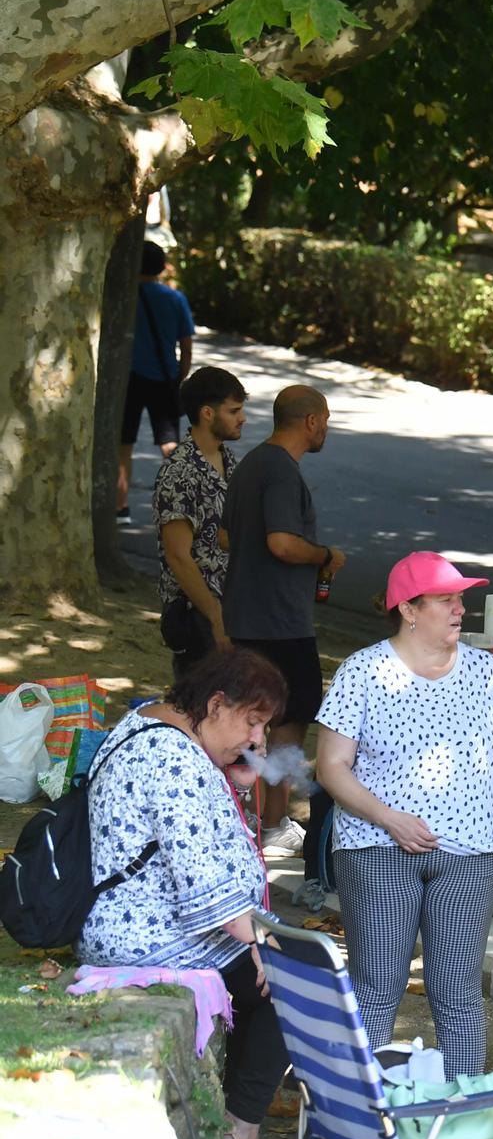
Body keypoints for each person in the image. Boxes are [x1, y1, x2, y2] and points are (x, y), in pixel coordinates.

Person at [315, 553, 493, 1076]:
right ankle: (362, 1121)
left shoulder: (487, 672)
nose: (461, 609)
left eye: (461, 598)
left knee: (458, 993)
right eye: (448, 599)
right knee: (377, 985)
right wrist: (389, 817)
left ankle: (461, 1121)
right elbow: (331, 766)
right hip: (376, 850)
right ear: (409, 609)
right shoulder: (364, 671)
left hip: (470, 855)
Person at [80, 648, 288, 1139]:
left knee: (269, 971)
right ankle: (240, 1129)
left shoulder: (154, 724)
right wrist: (262, 943)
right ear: (217, 704)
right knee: (287, 986)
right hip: (150, 932)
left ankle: (237, 1110)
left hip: (150, 920)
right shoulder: (171, 759)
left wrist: (239, 774)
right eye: (252, 721)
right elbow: (204, 890)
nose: (256, 738)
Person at [220, 383, 344, 857]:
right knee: (292, 717)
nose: (326, 428)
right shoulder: (282, 473)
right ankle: (272, 822)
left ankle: (247, 817)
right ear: (310, 421)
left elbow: (230, 538)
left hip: (246, 613)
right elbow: (282, 543)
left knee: (248, 717)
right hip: (281, 621)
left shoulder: (250, 465)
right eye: (325, 419)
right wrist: (325, 555)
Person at [155, 367, 246, 678]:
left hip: (233, 606)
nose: (242, 418)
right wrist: (216, 618)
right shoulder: (179, 472)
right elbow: (178, 556)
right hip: (196, 615)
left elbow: (224, 537)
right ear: (208, 413)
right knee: (201, 709)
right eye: (233, 411)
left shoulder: (230, 461)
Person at [118, 239, 196, 519]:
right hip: (163, 377)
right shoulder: (175, 299)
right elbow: (186, 344)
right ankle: (182, 505)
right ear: (162, 266)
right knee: (169, 442)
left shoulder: (123, 297)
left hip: (128, 380)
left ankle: (121, 507)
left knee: (123, 443)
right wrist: (180, 375)